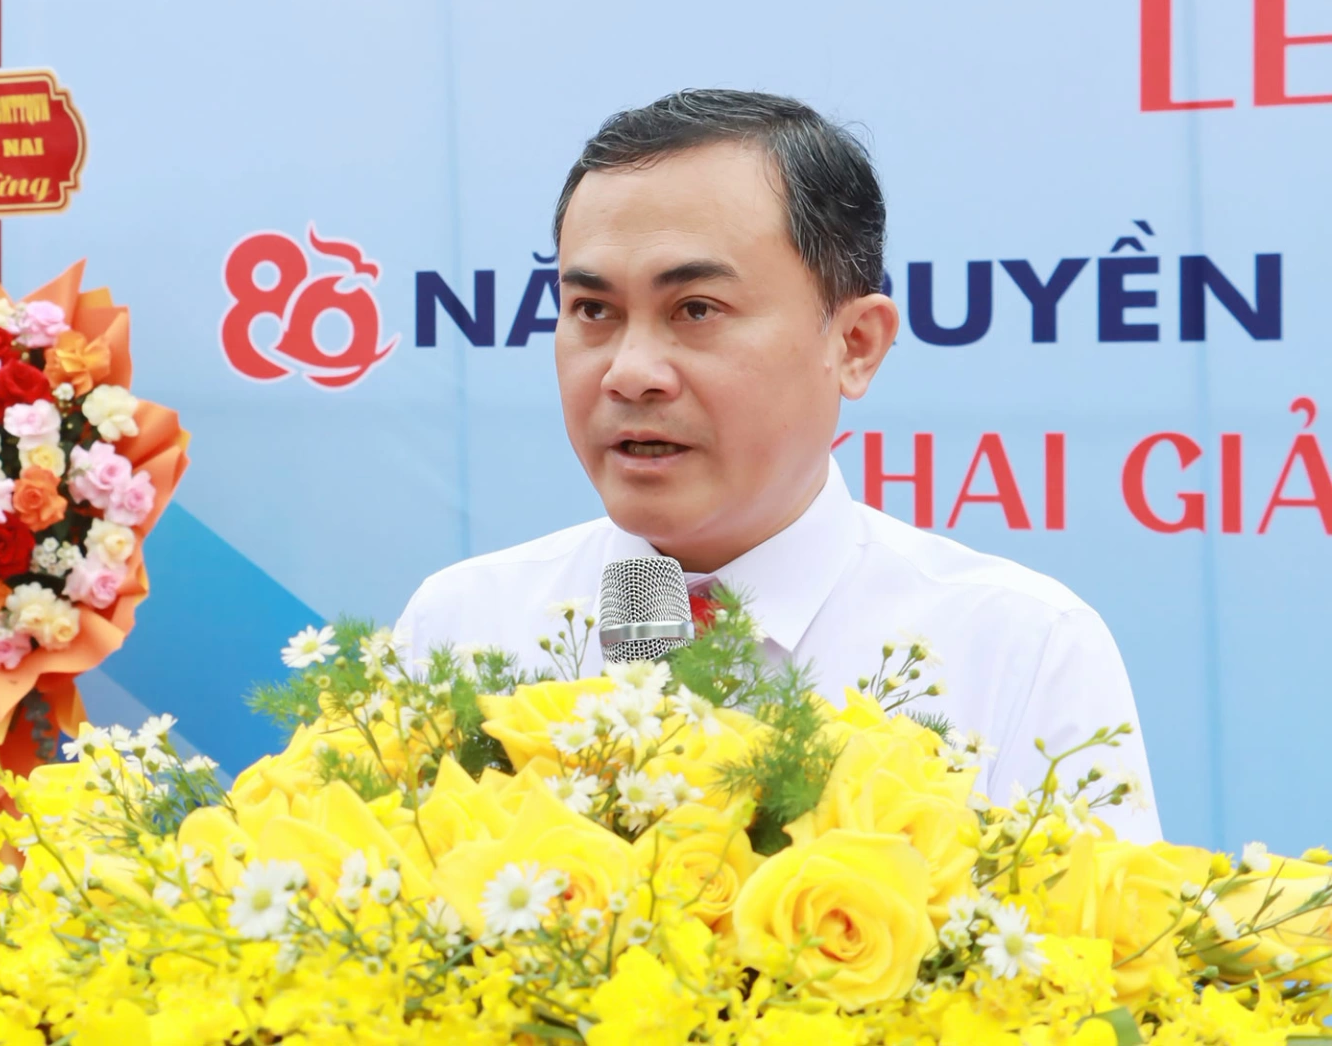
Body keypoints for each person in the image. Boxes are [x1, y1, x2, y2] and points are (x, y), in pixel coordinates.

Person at [396, 90, 1159, 840]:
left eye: (696, 309)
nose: (629, 373)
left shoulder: (1017, 648)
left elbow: (1096, 961)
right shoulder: (462, 627)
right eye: (594, 311)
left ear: (855, 344)